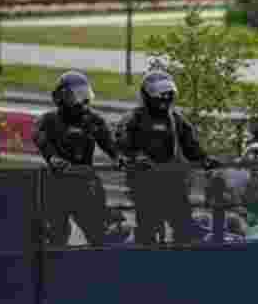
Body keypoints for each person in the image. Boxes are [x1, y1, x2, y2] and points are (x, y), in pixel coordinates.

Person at [116, 70, 217, 245]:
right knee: (147, 229)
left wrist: (204, 159)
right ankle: (145, 262)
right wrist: (136, 157)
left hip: (173, 183)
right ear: (147, 93)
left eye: (168, 92)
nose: (165, 97)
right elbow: (121, 142)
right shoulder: (134, 118)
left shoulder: (176, 119)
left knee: (184, 226)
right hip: (144, 183)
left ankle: (181, 261)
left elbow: (190, 145)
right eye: (159, 92)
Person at [34, 71, 123, 247]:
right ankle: (53, 270)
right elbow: (39, 138)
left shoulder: (93, 120)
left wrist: (118, 156)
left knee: (98, 235)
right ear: (61, 97)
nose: (81, 101)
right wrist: (52, 158)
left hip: (85, 187)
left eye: (84, 95)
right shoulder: (48, 120)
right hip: (56, 188)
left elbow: (109, 142)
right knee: (56, 238)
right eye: (76, 96)